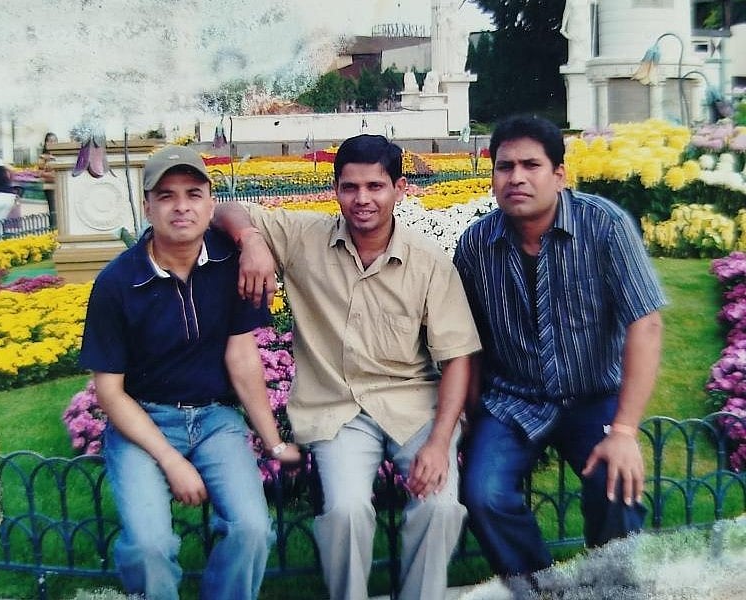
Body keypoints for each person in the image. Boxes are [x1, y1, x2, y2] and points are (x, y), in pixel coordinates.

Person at [213, 134, 481, 600]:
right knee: (344, 512)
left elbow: (458, 356)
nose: (362, 199)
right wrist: (252, 241)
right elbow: (224, 210)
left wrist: (440, 443)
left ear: (400, 189)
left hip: (412, 405)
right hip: (336, 408)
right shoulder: (304, 238)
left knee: (439, 507)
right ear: (334, 189)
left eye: (376, 186)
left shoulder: (429, 262)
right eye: (350, 187)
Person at [78, 145, 301, 600]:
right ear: (147, 206)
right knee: (149, 546)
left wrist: (274, 442)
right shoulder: (118, 283)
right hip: (145, 422)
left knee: (253, 530)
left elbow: (242, 356)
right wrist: (171, 460)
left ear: (210, 203)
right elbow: (110, 392)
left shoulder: (227, 262)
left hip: (215, 419)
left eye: (193, 194)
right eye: (166, 196)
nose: (181, 206)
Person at [453, 115, 665, 581]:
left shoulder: (604, 226)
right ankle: (543, 590)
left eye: (531, 165)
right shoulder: (477, 245)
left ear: (559, 175)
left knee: (615, 487)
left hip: (594, 395)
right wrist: (468, 414)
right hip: (514, 400)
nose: (516, 178)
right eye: (505, 166)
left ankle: (612, 590)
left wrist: (624, 430)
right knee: (484, 495)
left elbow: (646, 323)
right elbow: (466, 341)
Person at [36, 132, 58, 228]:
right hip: (50, 187)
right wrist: (53, 175)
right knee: (53, 210)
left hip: (61, 186)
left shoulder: (60, 155)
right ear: (46, 143)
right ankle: (54, 229)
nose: (53, 143)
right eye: (50, 141)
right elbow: (39, 173)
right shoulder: (43, 157)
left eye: (55, 141)